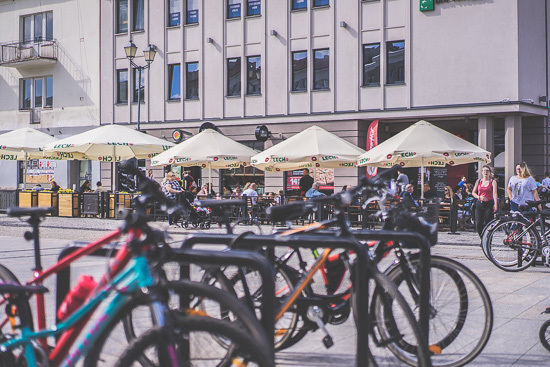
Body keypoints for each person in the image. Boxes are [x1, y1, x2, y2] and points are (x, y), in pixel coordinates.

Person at [472, 165, 498, 237]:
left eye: (487, 171)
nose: (486, 172)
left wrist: (495, 204)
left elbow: (495, 193)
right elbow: (473, 192)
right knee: (478, 223)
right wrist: (479, 197)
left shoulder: (492, 182)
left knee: (488, 223)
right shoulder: (479, 181)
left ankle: (488, 239)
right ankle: (482, 238)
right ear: (482, 172)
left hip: (488, 204)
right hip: (479, 203)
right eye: (484, 171)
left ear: (490, 173)